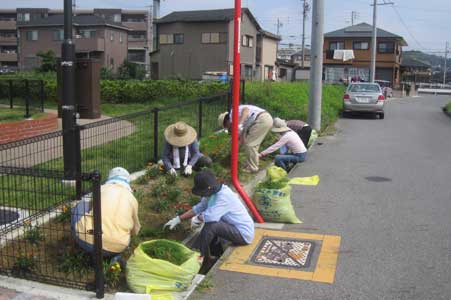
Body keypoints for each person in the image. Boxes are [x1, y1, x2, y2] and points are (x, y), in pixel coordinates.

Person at [164, 170, 254, 270]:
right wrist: (178, 219)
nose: (202, 195)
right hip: (231, 227)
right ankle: (211, 257)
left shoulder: (224, 196)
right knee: (210, 227)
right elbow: (199, 207)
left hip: (243, 234)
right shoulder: (212, 193)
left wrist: (198, 219)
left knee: (211, 225)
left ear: (209, 188)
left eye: (202, 192)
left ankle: (197, 256)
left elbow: (211, 216)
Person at [71, 167, 141, 256]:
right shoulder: (132, 199)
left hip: (86, 239)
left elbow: (90, 206)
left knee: (82, 204)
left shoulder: (100, 188)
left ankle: (78, 241)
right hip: (118, 246)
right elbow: (135, 230)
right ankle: (114, 256)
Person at [218, 105, 273, 173]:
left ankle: (253, 168)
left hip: (261, 119)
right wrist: (233, 153)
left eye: (226, 126)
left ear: (226, 121)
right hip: (264, 119)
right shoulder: (239, 120)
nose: (228, 128)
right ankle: (251, 165)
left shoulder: (233, 113)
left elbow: (246, 110)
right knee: (252, 144)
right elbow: (241, 140)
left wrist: (240, 125)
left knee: (250, 145)